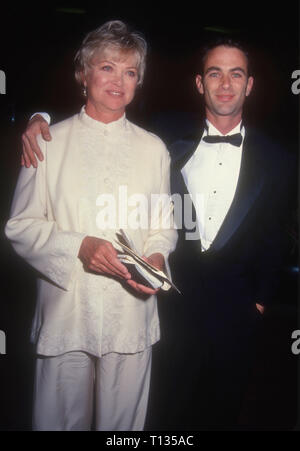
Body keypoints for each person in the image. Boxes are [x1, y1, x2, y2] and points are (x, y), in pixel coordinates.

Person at [18, 36, 294, 430]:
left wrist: (261, 301)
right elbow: (98, 119)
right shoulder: (166, 136)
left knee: (220, 414)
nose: (226, 84)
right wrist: (38, 117)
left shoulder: (280, 160)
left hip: (235, 319)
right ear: (200, 83)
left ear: (250, 84)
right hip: (168, 317)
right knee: (156, 421)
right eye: (215, 73)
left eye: (237, 74)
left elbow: (276, 234)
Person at [5, 20, 177, 431]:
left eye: (130, 72)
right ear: (84, 73)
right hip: (67, 309)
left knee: (124, 430)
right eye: (107, 68)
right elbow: (21, 225)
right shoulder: (46, 140)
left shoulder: (154, 148)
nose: (119, 81)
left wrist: (155, 255)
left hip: (132, 311)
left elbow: (164, 226)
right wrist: (79, 246)